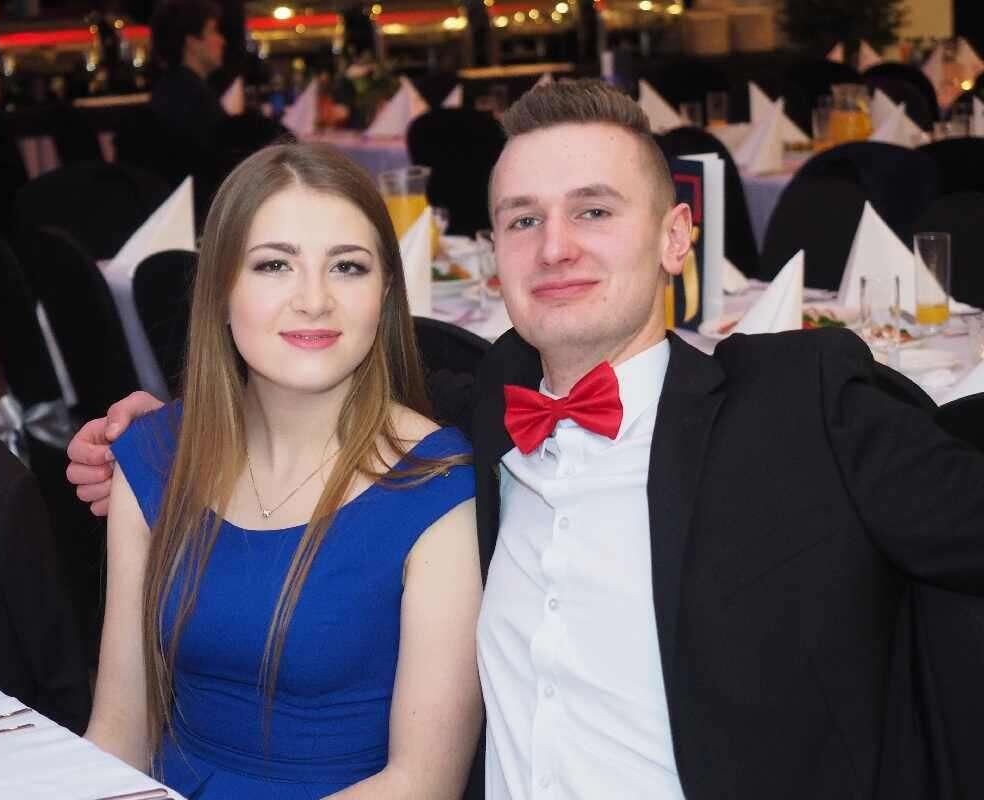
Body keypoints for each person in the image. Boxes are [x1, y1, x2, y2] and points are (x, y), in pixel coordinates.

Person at [68, 80, 984, 799]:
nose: (555, 247)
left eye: (594, 211)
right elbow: (310, 374)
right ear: (493, 253)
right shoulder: (468, 422)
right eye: (523, 219)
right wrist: (162, 432)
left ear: (677, 239)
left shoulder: (800, 403)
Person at [82, 142, 483, 798]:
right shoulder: (151, 457)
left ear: (385, 293)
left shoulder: (435, 489)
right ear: (221, 290)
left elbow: (422, 784)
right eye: (274, 265)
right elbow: (120, 730)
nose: (314, 300)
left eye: (348, 267)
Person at [148, 0, 227, 152]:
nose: (222, 41)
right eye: (214, 31)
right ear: (192, 42)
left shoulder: (170, 88)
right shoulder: (195, 98)